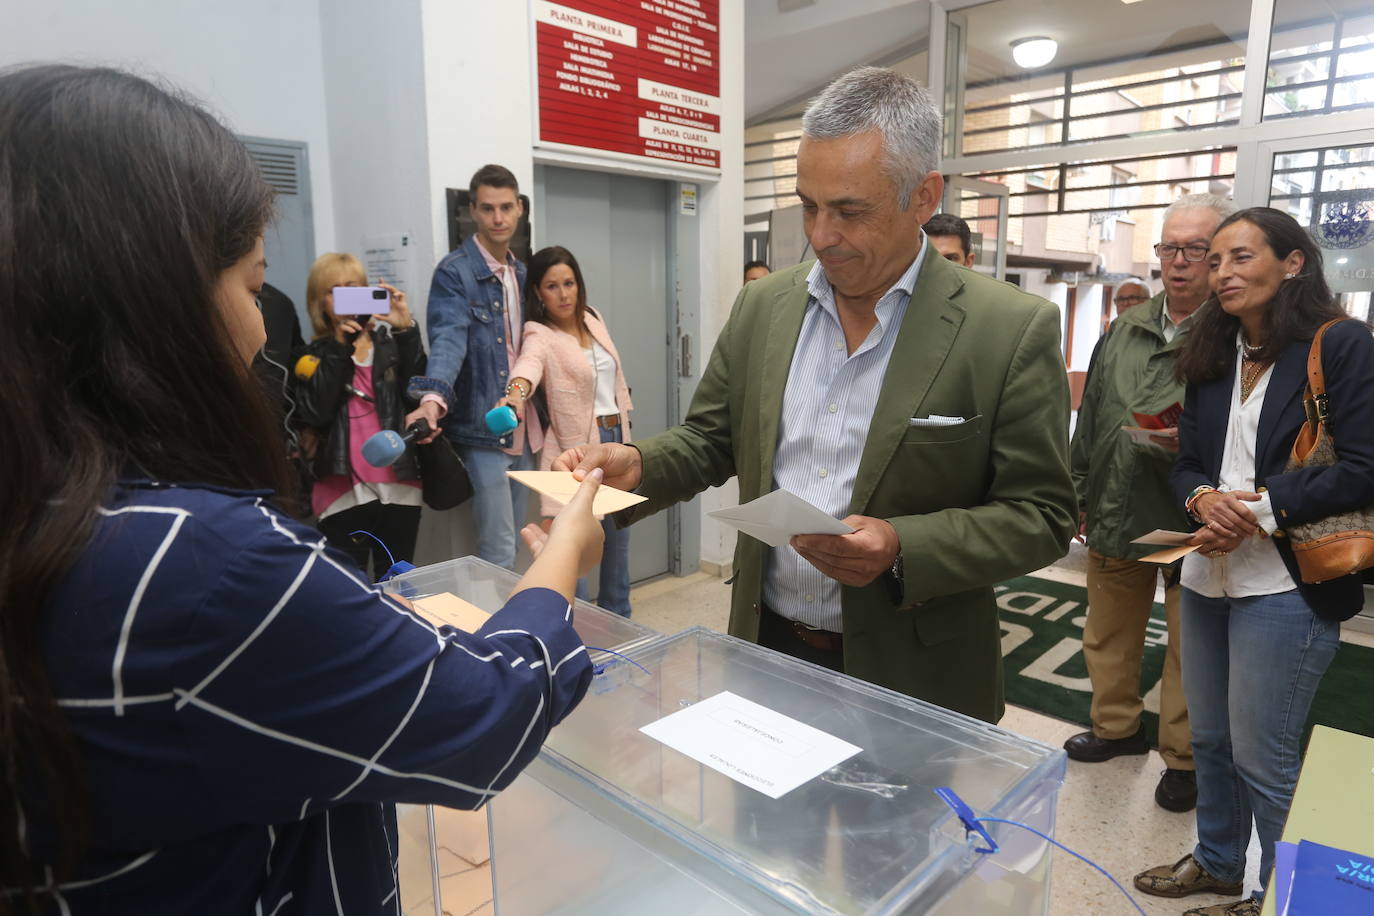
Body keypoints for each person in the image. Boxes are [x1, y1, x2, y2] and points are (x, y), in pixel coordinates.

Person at [0, 64, 605, 913]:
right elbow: (483, 714)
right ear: (151, 300)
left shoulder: (49, 505)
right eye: (253, 288)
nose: (259, 330)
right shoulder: (209, 563)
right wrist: (565, 556)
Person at [558, 66, 1076, 723]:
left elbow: (1042, 516)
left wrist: (901, 545)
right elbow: (712, 439)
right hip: (767, 647)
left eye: (850, 211)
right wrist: (637, 464)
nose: (821, 234)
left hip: (914, 673)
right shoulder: (764, 306)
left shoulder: (1007, 329)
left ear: (923, 196)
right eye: (808, 205)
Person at [1133, 207, 1374, 916]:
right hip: (1208, 572)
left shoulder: (1341, 342)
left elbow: (1365, 466)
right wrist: (1202, 499)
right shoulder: (1214, 349)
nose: (1221, 273)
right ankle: (1216, 862)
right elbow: (1188, 463)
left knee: (1264, 757)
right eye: (1215, 261)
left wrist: (1261, 509)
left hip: (1286, 581)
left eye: (1240, 257)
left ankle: (1280, 896)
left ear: (1292, 263)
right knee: (1209, 739)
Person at [1065, 194, 1235, 814]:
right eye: (1170, 247)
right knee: (1108, 631)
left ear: (1220, 255)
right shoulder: (1125, 327)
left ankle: (1184, 759)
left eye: (1196, 249)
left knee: (1192, 647)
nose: (1179, 261)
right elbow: (1092, 418)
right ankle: (1116, 728)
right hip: (1119, 502)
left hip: (1195, 518)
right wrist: (1079, 491)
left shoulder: (1237, 332)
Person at [405, 164, 542, 570]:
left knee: (519, 541)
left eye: (506, 207)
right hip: (484, 429)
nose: (498, 218)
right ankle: (492, 616)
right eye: (487, 208)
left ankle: (513, 610)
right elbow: (448, 340)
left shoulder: (522, 272)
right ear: (473, 211)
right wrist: (431, 400)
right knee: (498, 550)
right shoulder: (455, 272)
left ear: (519, 208)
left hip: (524, 424)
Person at [496, 246, 635, 616]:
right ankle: (572, 632)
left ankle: (621, 625)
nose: (563, 294)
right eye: (552, 286)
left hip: (616, 440)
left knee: (618, 544)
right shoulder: (540, 333)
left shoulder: (593, 318)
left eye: (569, 283)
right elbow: (527, 366)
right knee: (574, 554)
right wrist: (514, 395)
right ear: (538, 292)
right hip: (574, 454)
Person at [294, 253, 425, 577]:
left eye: (353, 288)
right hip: (341, 491)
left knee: (398, 586)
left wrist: (406, 330)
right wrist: (340, 348)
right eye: (334, 290)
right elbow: (315, 413)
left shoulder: (393, 345)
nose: (345, 297)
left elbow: (418, 393)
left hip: (399, 485)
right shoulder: (311, 355)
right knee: (347, 587)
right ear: (319, 302)